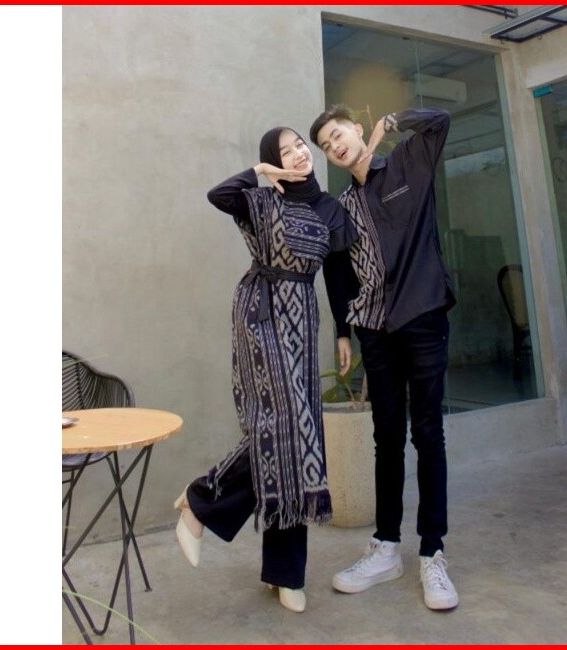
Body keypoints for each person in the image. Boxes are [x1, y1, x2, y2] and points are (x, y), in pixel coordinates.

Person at [173, 126, 357, 614]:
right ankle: (201, 502)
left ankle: (284, 573)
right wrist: (259, 172)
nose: (297, 155)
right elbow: (219, 195)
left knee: (297, 438)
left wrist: (343, 332)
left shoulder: (330, 209)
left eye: (300, 146)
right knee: (281, 426)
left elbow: (338, 275)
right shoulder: (262, 198)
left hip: (303, 320)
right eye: (285, 151)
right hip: (260, 312)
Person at [310, 105, 459, 611]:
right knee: (387, 437)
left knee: (429, 433)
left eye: (338, 135)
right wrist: (343, 331)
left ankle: (432, 553)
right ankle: (387, 547)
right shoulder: (342, 206)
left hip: (423, 316)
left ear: (357, 129)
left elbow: (440, 121)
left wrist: (393, 122)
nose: (335, 146)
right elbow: (336, 269)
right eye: (326, 145)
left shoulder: (407, 165)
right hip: (375, 329)